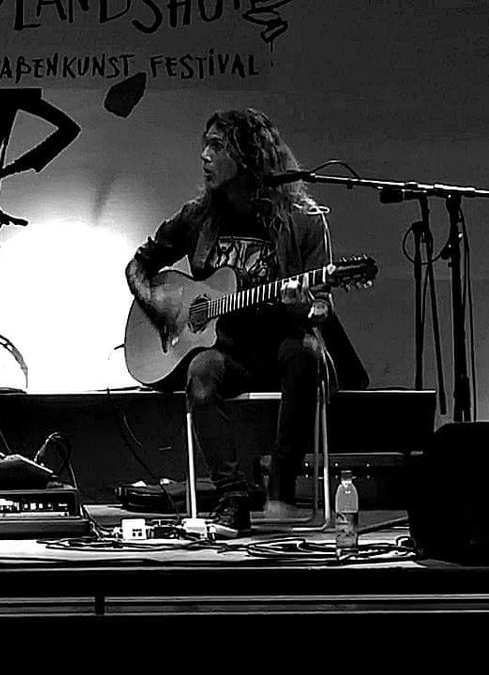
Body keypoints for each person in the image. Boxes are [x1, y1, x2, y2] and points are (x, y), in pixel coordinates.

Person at [124, 108, 365, 537]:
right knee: (200, 372)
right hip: (228, 352)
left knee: (305, 352)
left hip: (279, 348)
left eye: (217, 146)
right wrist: (156, 303)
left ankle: (281, 489)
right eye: (205, 144)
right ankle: (232, 498)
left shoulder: (304, 220)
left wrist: (306, 305)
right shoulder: (199, 217)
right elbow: (139, 266)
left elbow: (321, 309)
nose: (204, 156)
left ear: (248, 154)